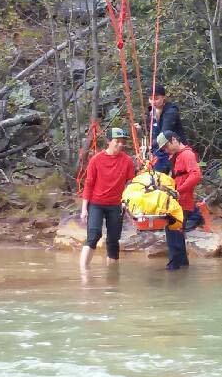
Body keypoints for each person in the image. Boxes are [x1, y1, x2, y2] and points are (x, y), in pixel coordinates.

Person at [79, 127, 136, 277]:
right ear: (109, 142)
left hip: (115, 204)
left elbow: (130, 183)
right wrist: (84, 209)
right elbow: (89, 184)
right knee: (94, 235)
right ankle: (83, 273)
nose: (120, 145)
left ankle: (112, 277)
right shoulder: (96, 160)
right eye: (117, 141)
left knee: (113, 240)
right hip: (96, 203)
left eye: (122, 142)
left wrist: (127, 202)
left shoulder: (127, 160)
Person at [156, 130, 202, 270]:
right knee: (176, 237)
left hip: (182, 203)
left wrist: (178, 191)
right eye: (163, 148)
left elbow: (196, 175)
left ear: (174, 140)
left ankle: (173, 271)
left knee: (174, 238)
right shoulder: (176, 156)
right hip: (177, 203)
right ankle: (182, 269)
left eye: (166, 146)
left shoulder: (187, 155)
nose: (165, 150)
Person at [148, 84, 185, 174]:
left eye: (156, 99)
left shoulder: (171, 112)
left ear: (163, 98)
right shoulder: (152, 111)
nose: (153, 102)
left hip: (173, 148)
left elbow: (163, 135)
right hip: (160, 149)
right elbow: (152, 132)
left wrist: (150, 146)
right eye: (151, 99)